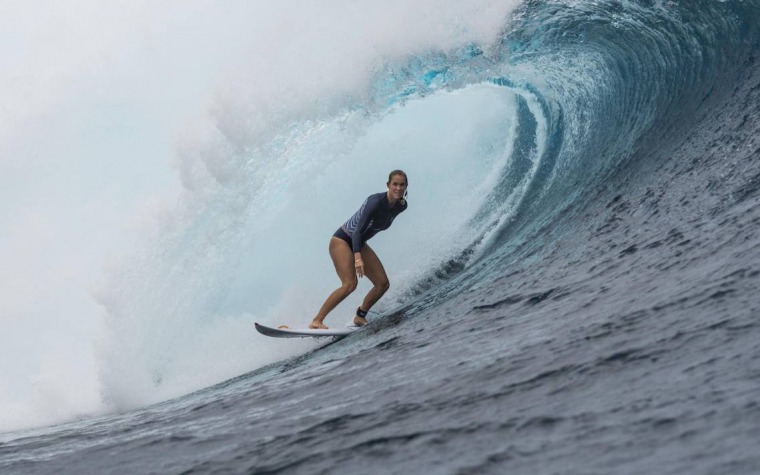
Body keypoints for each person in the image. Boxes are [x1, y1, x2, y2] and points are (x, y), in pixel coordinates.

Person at [309, 170, 409, 329]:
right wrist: (358, 258)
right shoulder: (375, 202)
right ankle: (317, 320)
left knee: (382, 283)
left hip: (359, 243)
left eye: (401, 185)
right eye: (394, 184)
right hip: (342, 240)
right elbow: (357, 231)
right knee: (349, 284)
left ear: (406, 186)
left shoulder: (401, 206)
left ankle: (360, 316)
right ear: (388, 185)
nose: (398, 188)